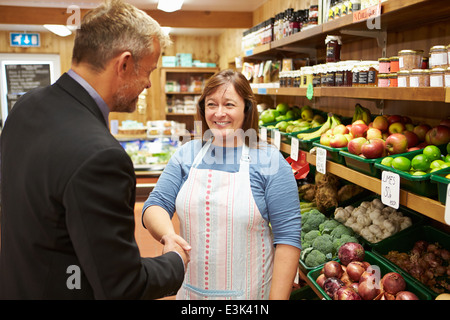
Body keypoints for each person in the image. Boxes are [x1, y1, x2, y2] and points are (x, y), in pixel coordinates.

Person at [0, 0, 189, 299]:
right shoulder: (101, 156)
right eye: (149, 71)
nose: (149, 85)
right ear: (124, 64)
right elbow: (122, 285)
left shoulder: (26, 106)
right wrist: (174, 261)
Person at [142, 69, 302, 300]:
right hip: (191, 293)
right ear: (202, 109)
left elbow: (287, 238)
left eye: (229, 104)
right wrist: (168, 235)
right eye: (211, 104)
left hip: (250, 295)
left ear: (246, 109)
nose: (219, 113)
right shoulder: (187, 154)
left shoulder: (269, 161)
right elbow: (155, 205)